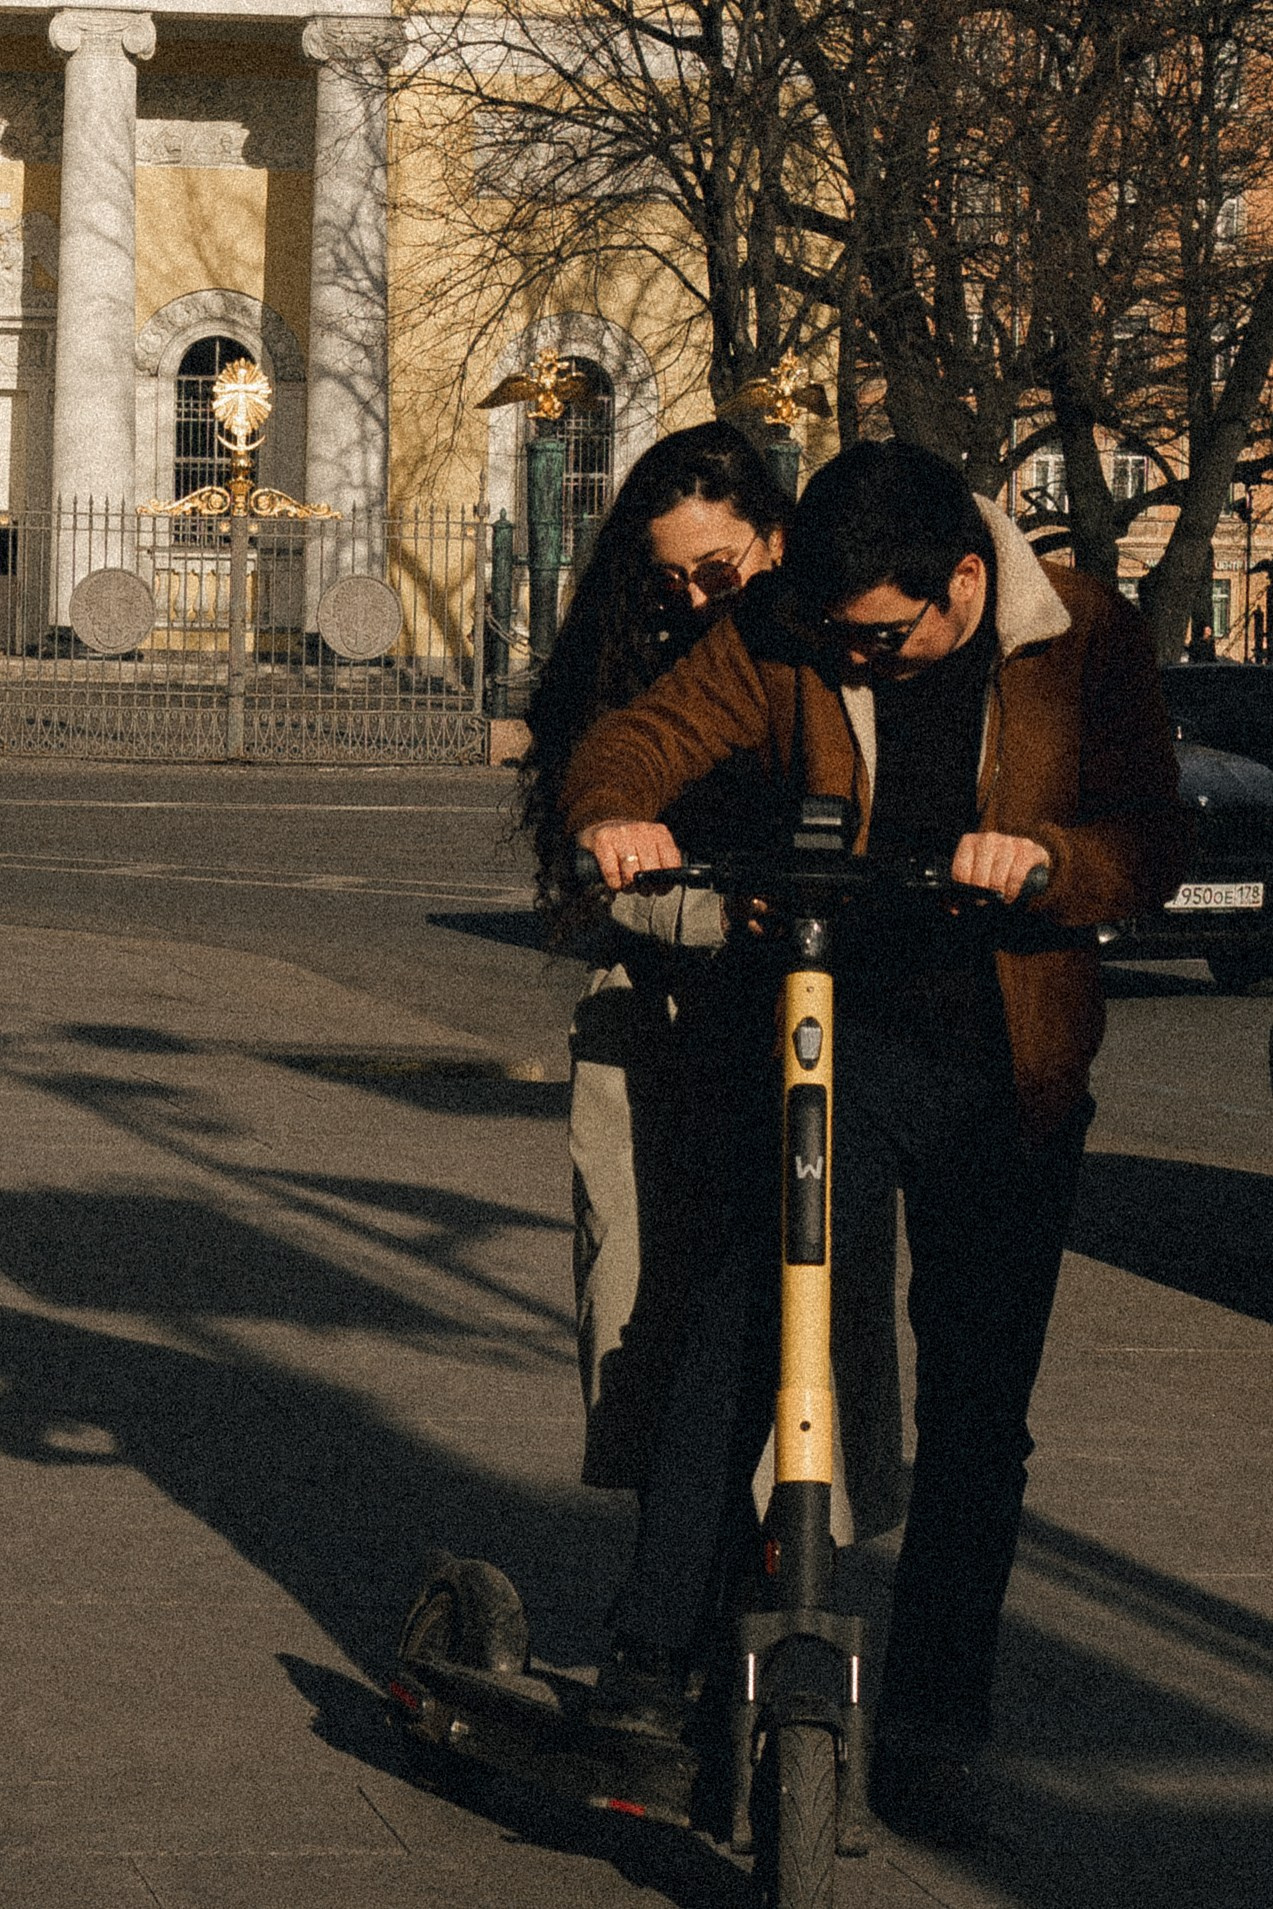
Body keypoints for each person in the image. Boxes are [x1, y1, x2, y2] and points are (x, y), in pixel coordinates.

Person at [560, 439, 1188, 1844]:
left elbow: (1150, 842)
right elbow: (642, 736)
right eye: (841, 641)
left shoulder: (1083, 635)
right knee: (742, 1329)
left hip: (1008, 1068)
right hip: (836, 1041)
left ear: (964, 583)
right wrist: (618, 814)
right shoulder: (791, 626)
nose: (860, 661)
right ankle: (650, 1662)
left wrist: (1047, 862)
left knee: (980, 1407)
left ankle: (934, 1722)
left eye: (885, 640)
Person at [519, 423, 903, 1685]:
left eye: (718, 570)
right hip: (661, 1029)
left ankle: (726, 1610)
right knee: (652, 1327)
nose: (693, 598)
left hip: (791, 1031)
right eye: (671, 577)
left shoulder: (816, 644)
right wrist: (679, 885)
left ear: (779, 536)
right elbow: (588, 851)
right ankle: (669, 1615)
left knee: (784, 1329)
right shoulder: (636, 662)